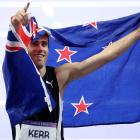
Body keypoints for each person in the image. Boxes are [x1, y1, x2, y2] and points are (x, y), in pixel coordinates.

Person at [9, 2, 140, 140]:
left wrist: (137, 33)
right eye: (35, 43)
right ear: (25, 47)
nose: (40, 48)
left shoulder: (59, 76)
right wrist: (15, 28)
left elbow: (105, 56)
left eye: (44, 44)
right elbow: (12, 55)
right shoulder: (17, 77)